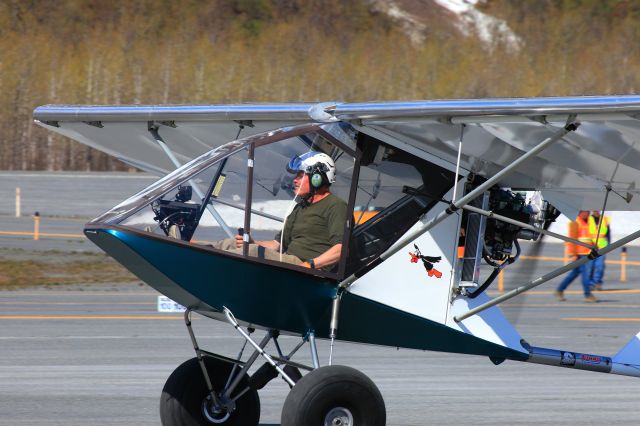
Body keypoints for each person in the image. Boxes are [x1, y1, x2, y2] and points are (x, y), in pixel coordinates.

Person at [211, 151, 347, 271]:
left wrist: (308, 265)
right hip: (288, 261)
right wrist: (254, 242)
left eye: (300, 175)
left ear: (317, 178)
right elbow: (278, 245)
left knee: (252, 252)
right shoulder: (300, 206)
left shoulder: (336, 205)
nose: (295, 180)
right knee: (232, 244)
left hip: (305, 268)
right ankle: (194, 252)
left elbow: (341, 250)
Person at [555, 210, 598, 303]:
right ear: (580, 212)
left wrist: (595, 246)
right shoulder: (575, 222)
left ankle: (560, 290)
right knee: (585, 274)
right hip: (580, 253)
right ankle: (588, 294)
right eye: (586, 211)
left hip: (587, 252)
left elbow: (590, 236)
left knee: (574, 273)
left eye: (588, 211)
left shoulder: (589, 221)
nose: (588, 213)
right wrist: (573, 254)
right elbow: (572, 239)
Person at [590, 210, 610, 291]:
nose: (596, 211)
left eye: (597, 210)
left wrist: (609, 245)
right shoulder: (588, 219)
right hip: (590, 247)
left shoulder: (604, 219)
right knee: (590, 266)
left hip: (602, 247)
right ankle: (591, 284)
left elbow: (608, 233)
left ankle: (597, 282)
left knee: (600, 266)